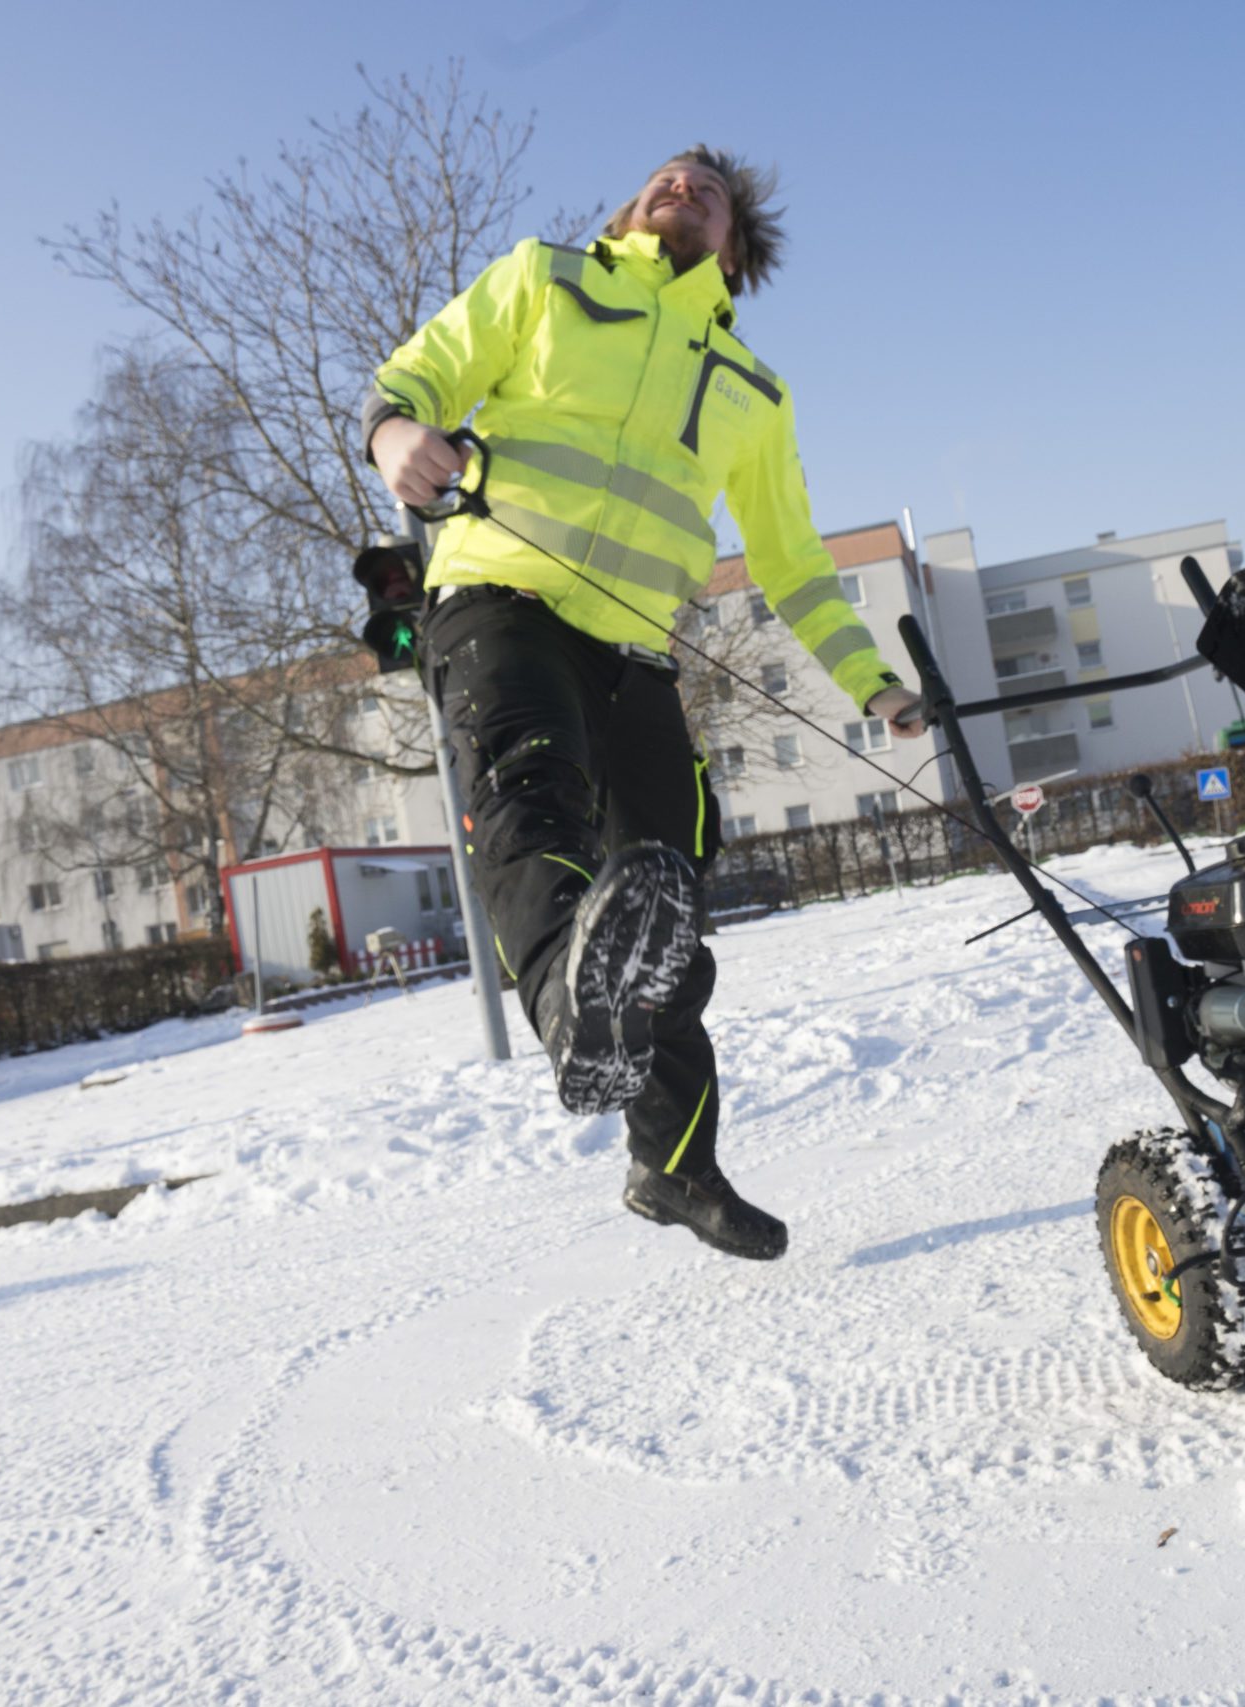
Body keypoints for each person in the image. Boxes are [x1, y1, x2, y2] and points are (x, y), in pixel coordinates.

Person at [364, 146, 925, 1262]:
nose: (680, 190)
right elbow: (420, 375)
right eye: (664, 180)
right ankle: (569, 1020)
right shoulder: (545, 281)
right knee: (533, 804)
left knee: (659, 905)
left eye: (705, 190)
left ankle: (672, 1167)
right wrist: (395, 435)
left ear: (735, 245)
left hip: (634, 649)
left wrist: (875, 683)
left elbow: (796, 563)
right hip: (499, 600)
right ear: (633, 209)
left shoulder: (754, 395)